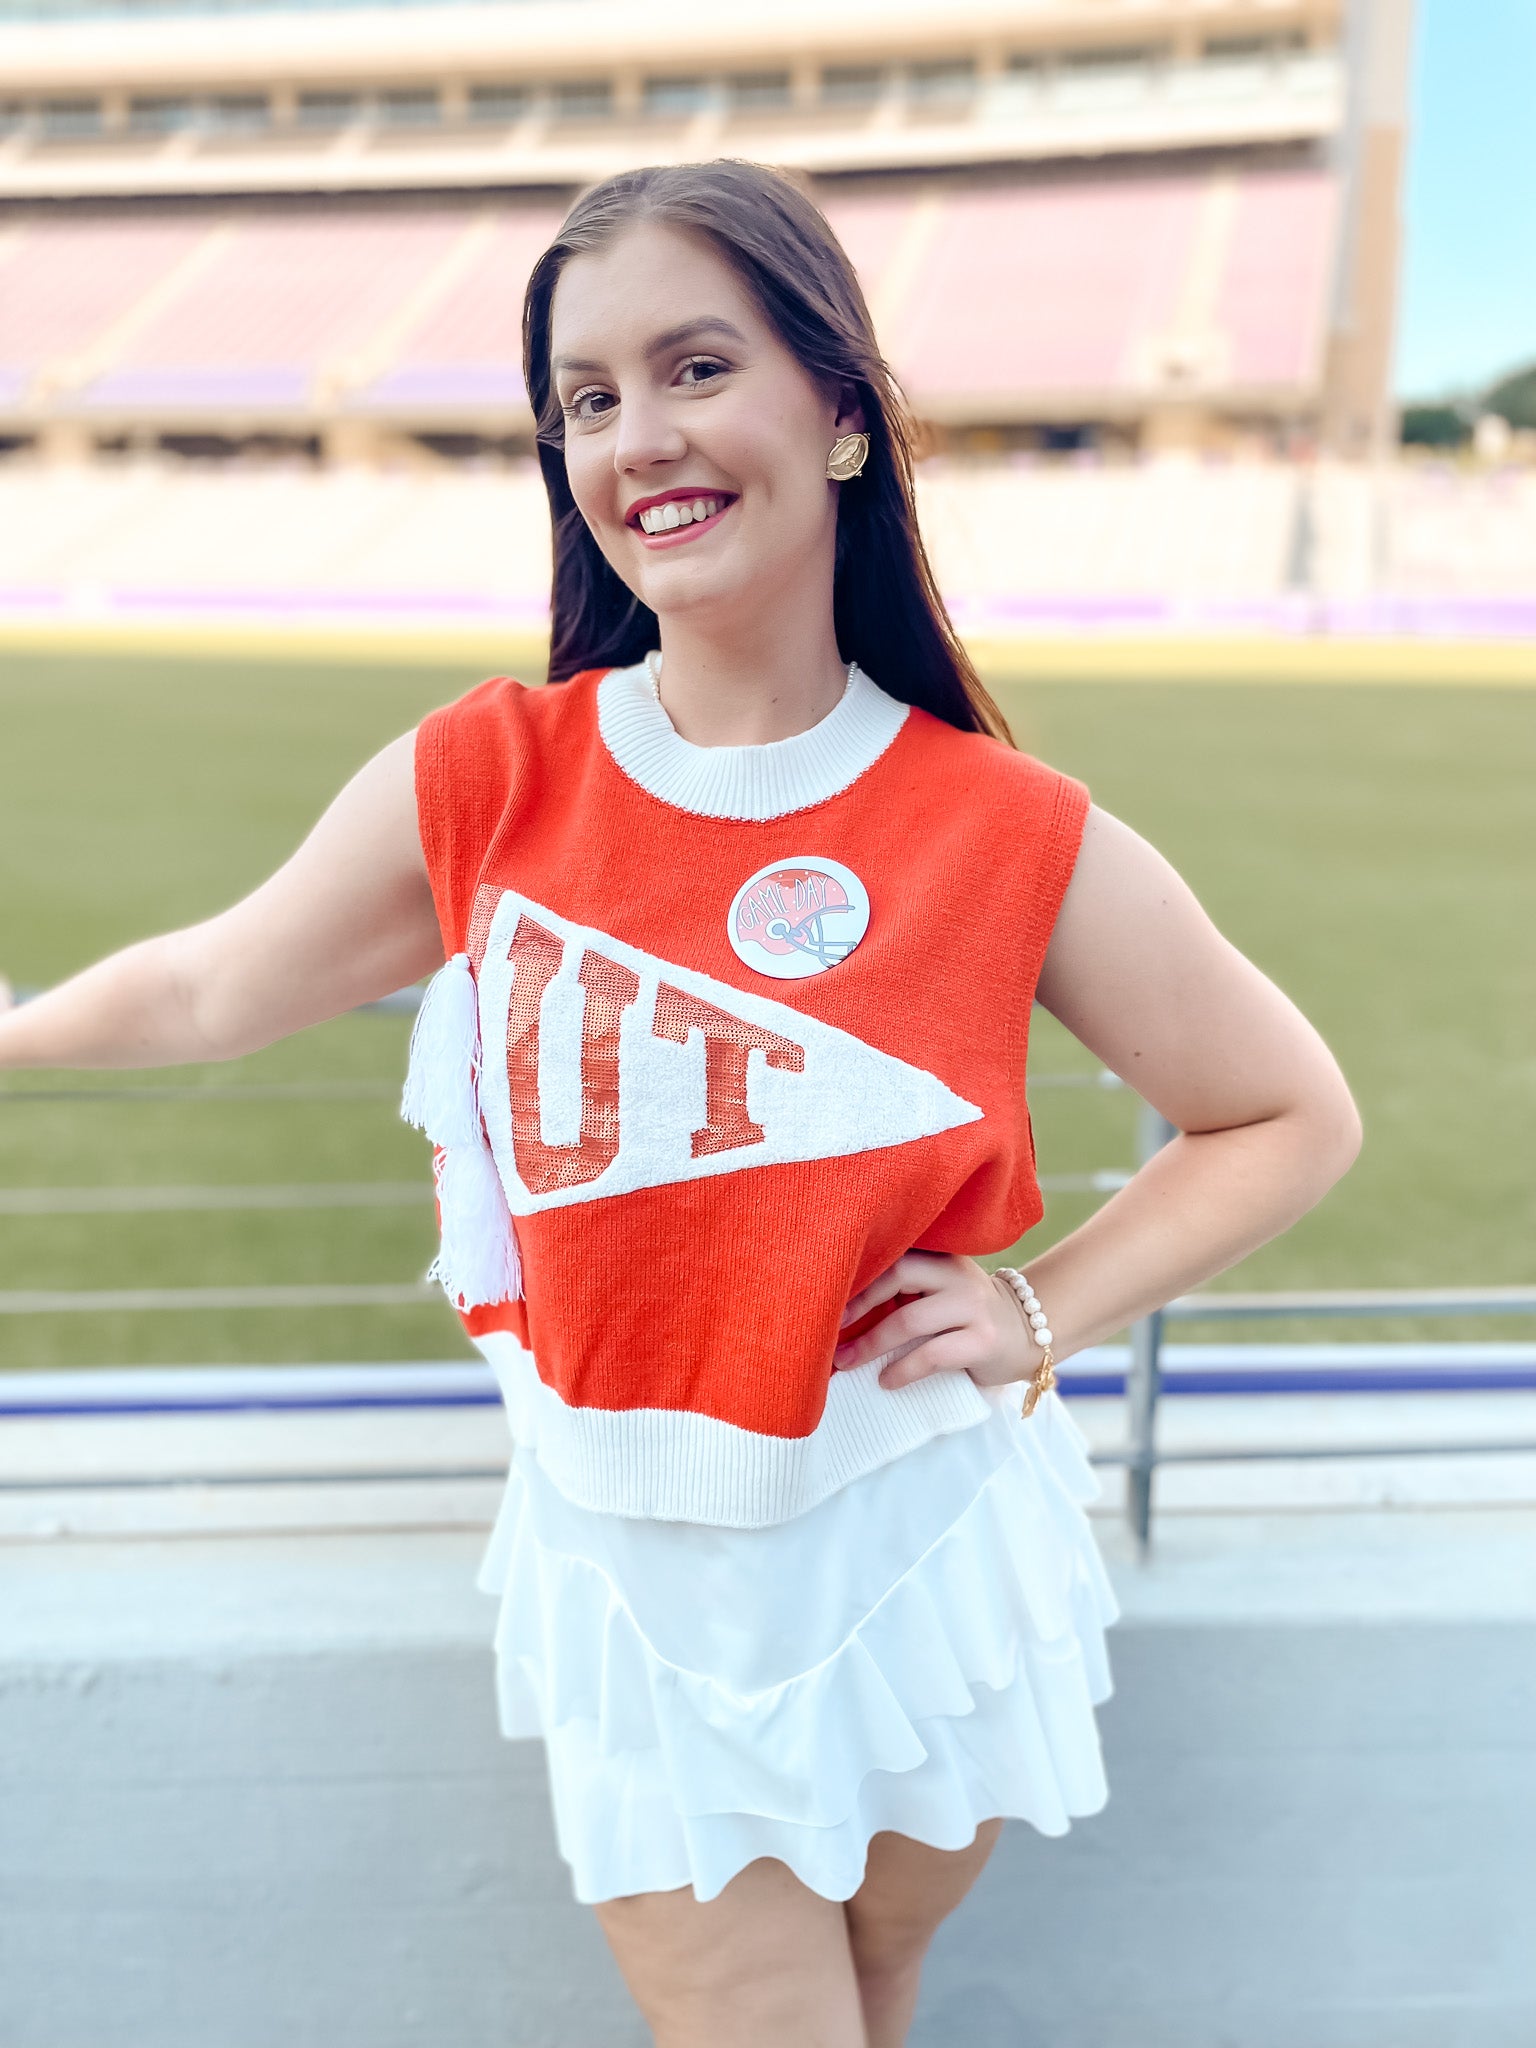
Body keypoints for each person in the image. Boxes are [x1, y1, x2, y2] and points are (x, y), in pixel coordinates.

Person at [0, 160, 1362, 2048]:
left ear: (844, 412)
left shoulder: (1006, 826)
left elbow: (1288, 1113)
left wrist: (1044, 1307)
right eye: (587, 398)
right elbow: (214, 984)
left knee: (877, 1990)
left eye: (697, 365)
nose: (640, 437)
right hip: (639, 1576)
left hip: (926, 1555)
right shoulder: (489, 777)